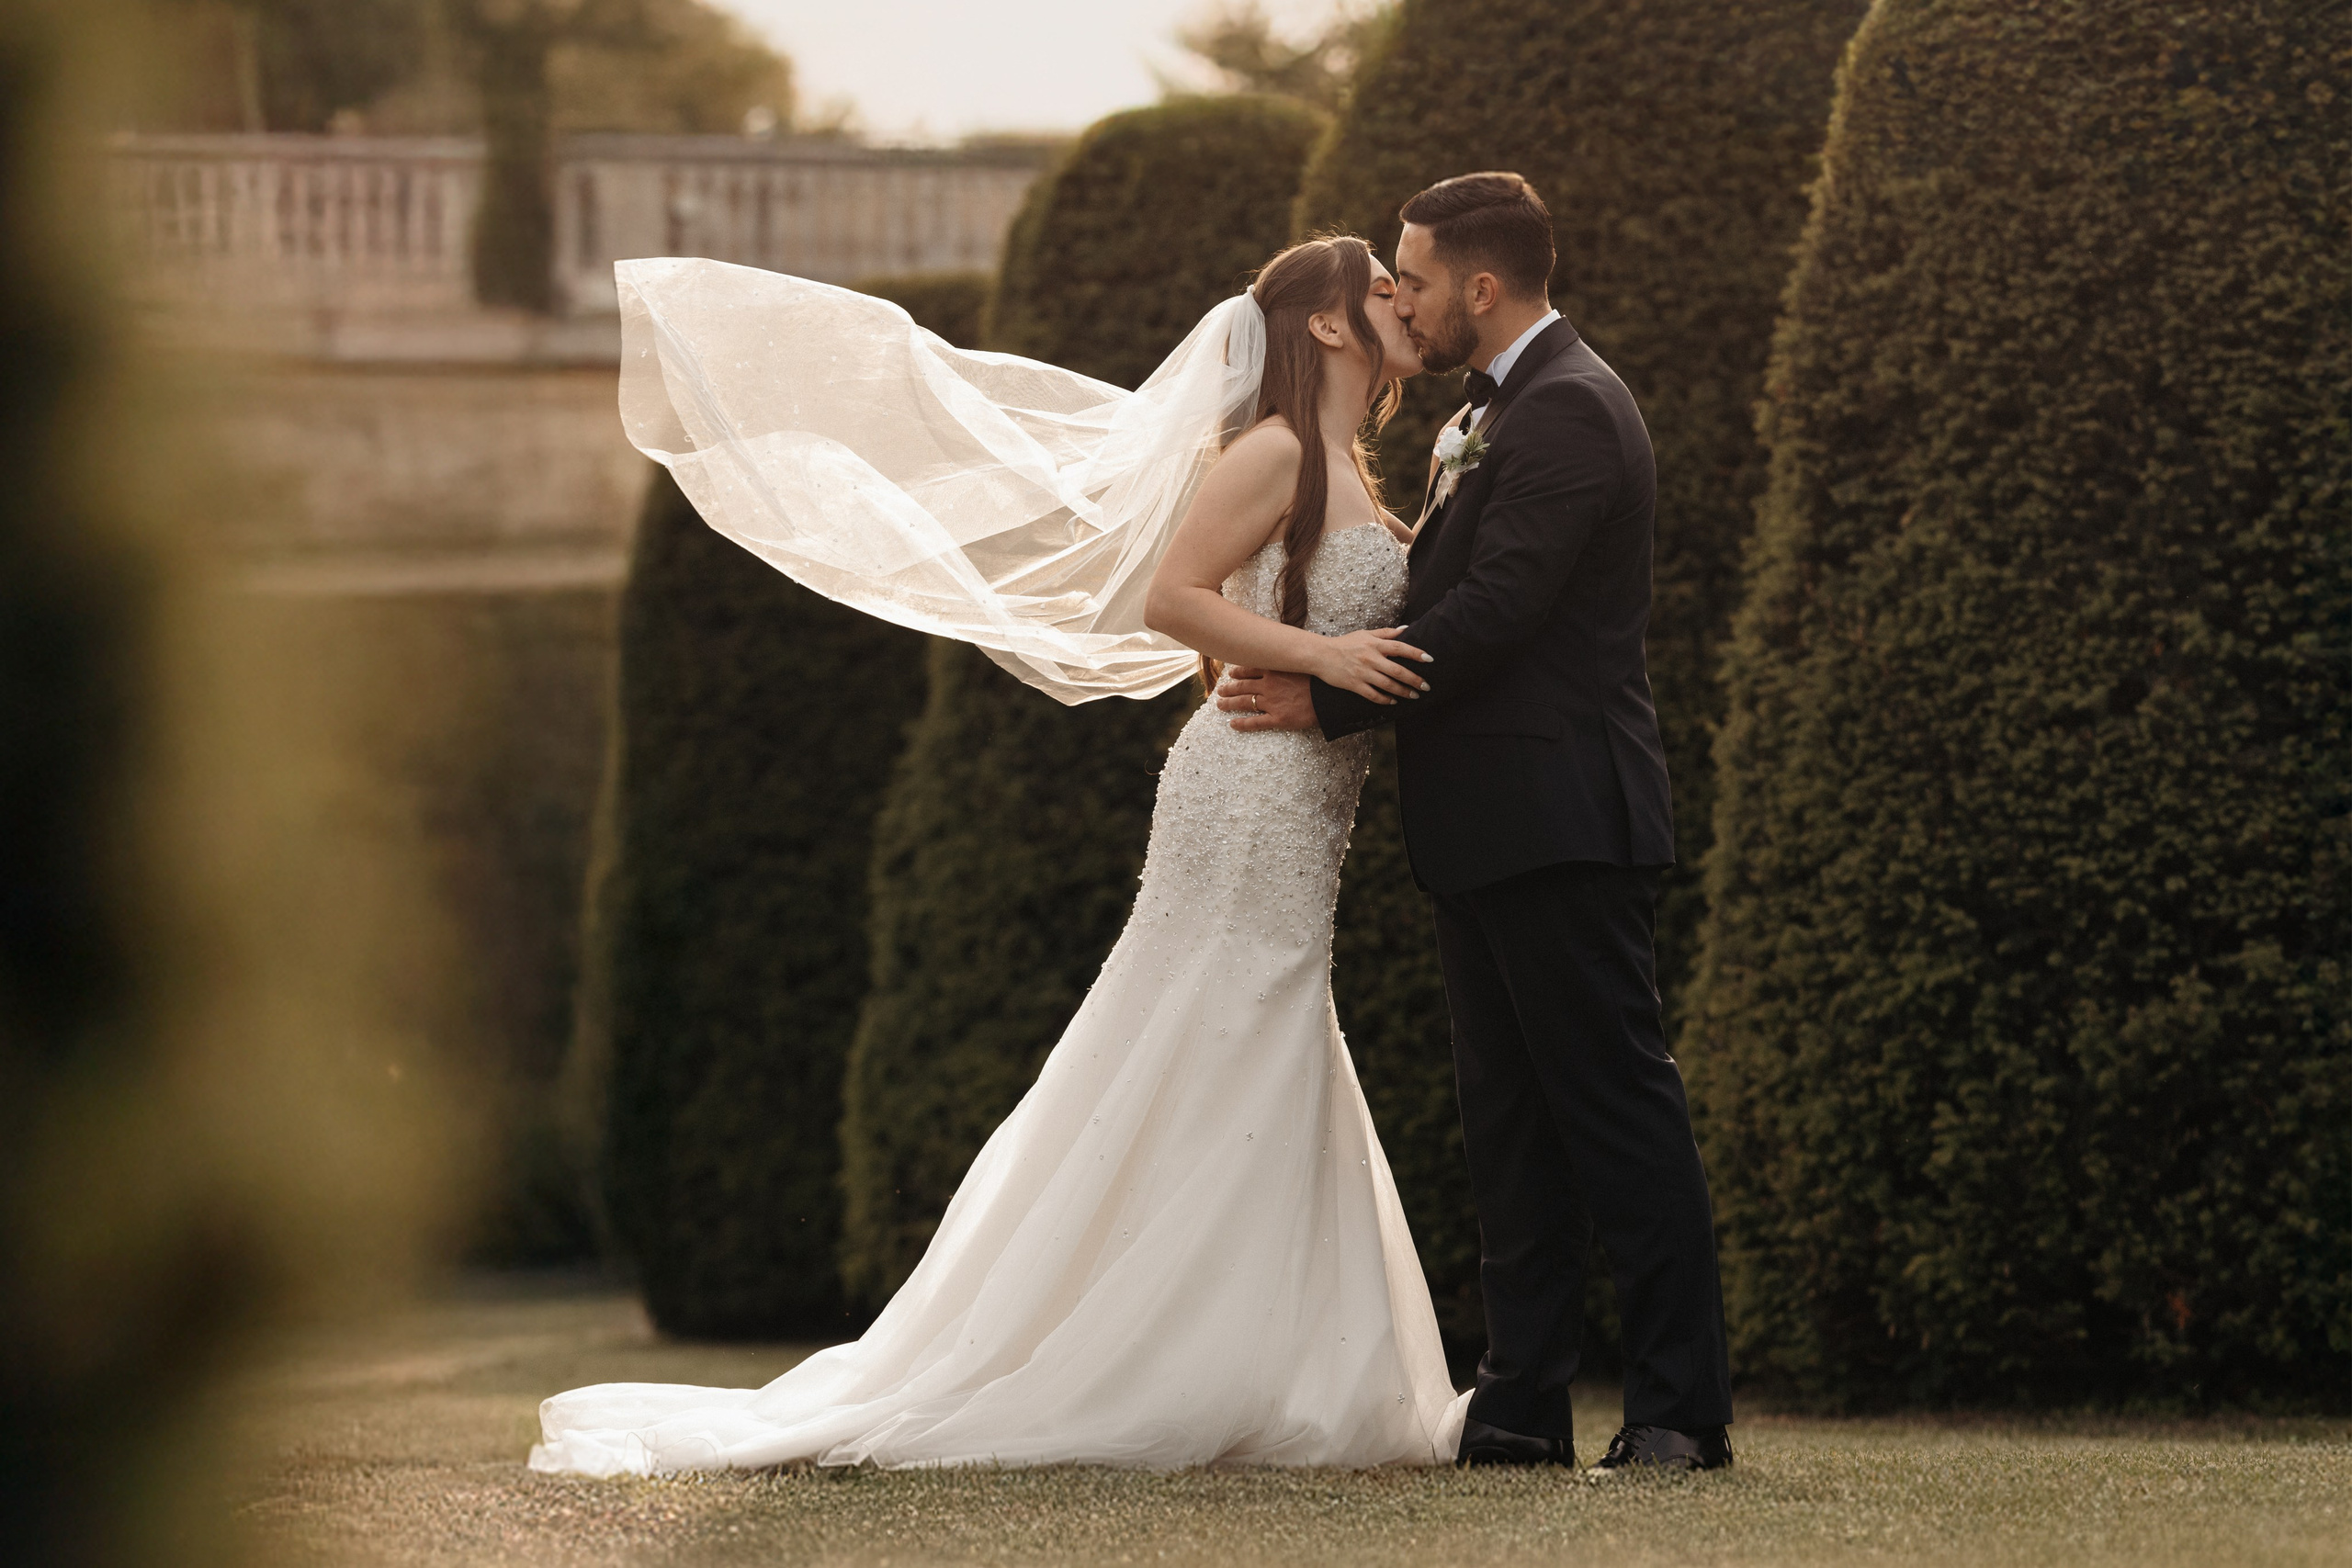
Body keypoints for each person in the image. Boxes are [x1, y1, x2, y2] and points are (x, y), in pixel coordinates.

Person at [531, 235, 1472, 1473]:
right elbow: (1172, 598)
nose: (1406, 303)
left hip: (1303, 791)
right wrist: (1328, 661)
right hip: (1247, 786)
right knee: (1235, 1021)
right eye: (1384, 288)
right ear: (1335, 326)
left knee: (1254, 1029)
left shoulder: (1343, 460)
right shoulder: (1278, 451)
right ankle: (1177, 1363)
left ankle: (1269, 1358)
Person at [1216, 172, 1736, 1473]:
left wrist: (1327, 696)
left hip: (1563, 815)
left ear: (1483, 288)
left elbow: (1497, 611)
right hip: (1487, 825)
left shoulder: (1566, 411)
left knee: (1616, 1114)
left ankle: (1678, 1411)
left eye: (1420, 275)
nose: (1404, 295)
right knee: (1510, 1130)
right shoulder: (1484, 415)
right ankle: (1520, 1408)